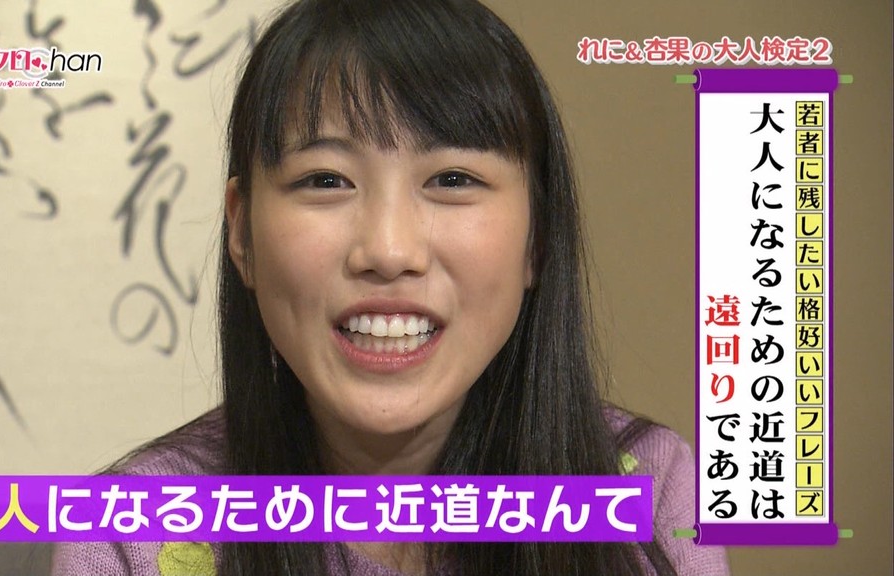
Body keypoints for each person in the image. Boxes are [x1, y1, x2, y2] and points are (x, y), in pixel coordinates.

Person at [53, 0, 730, 574]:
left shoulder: (649, 491)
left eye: (453, 180)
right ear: (242, 232)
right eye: (325, 180)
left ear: (538, 236)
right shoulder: (132, 535)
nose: (388, 250)